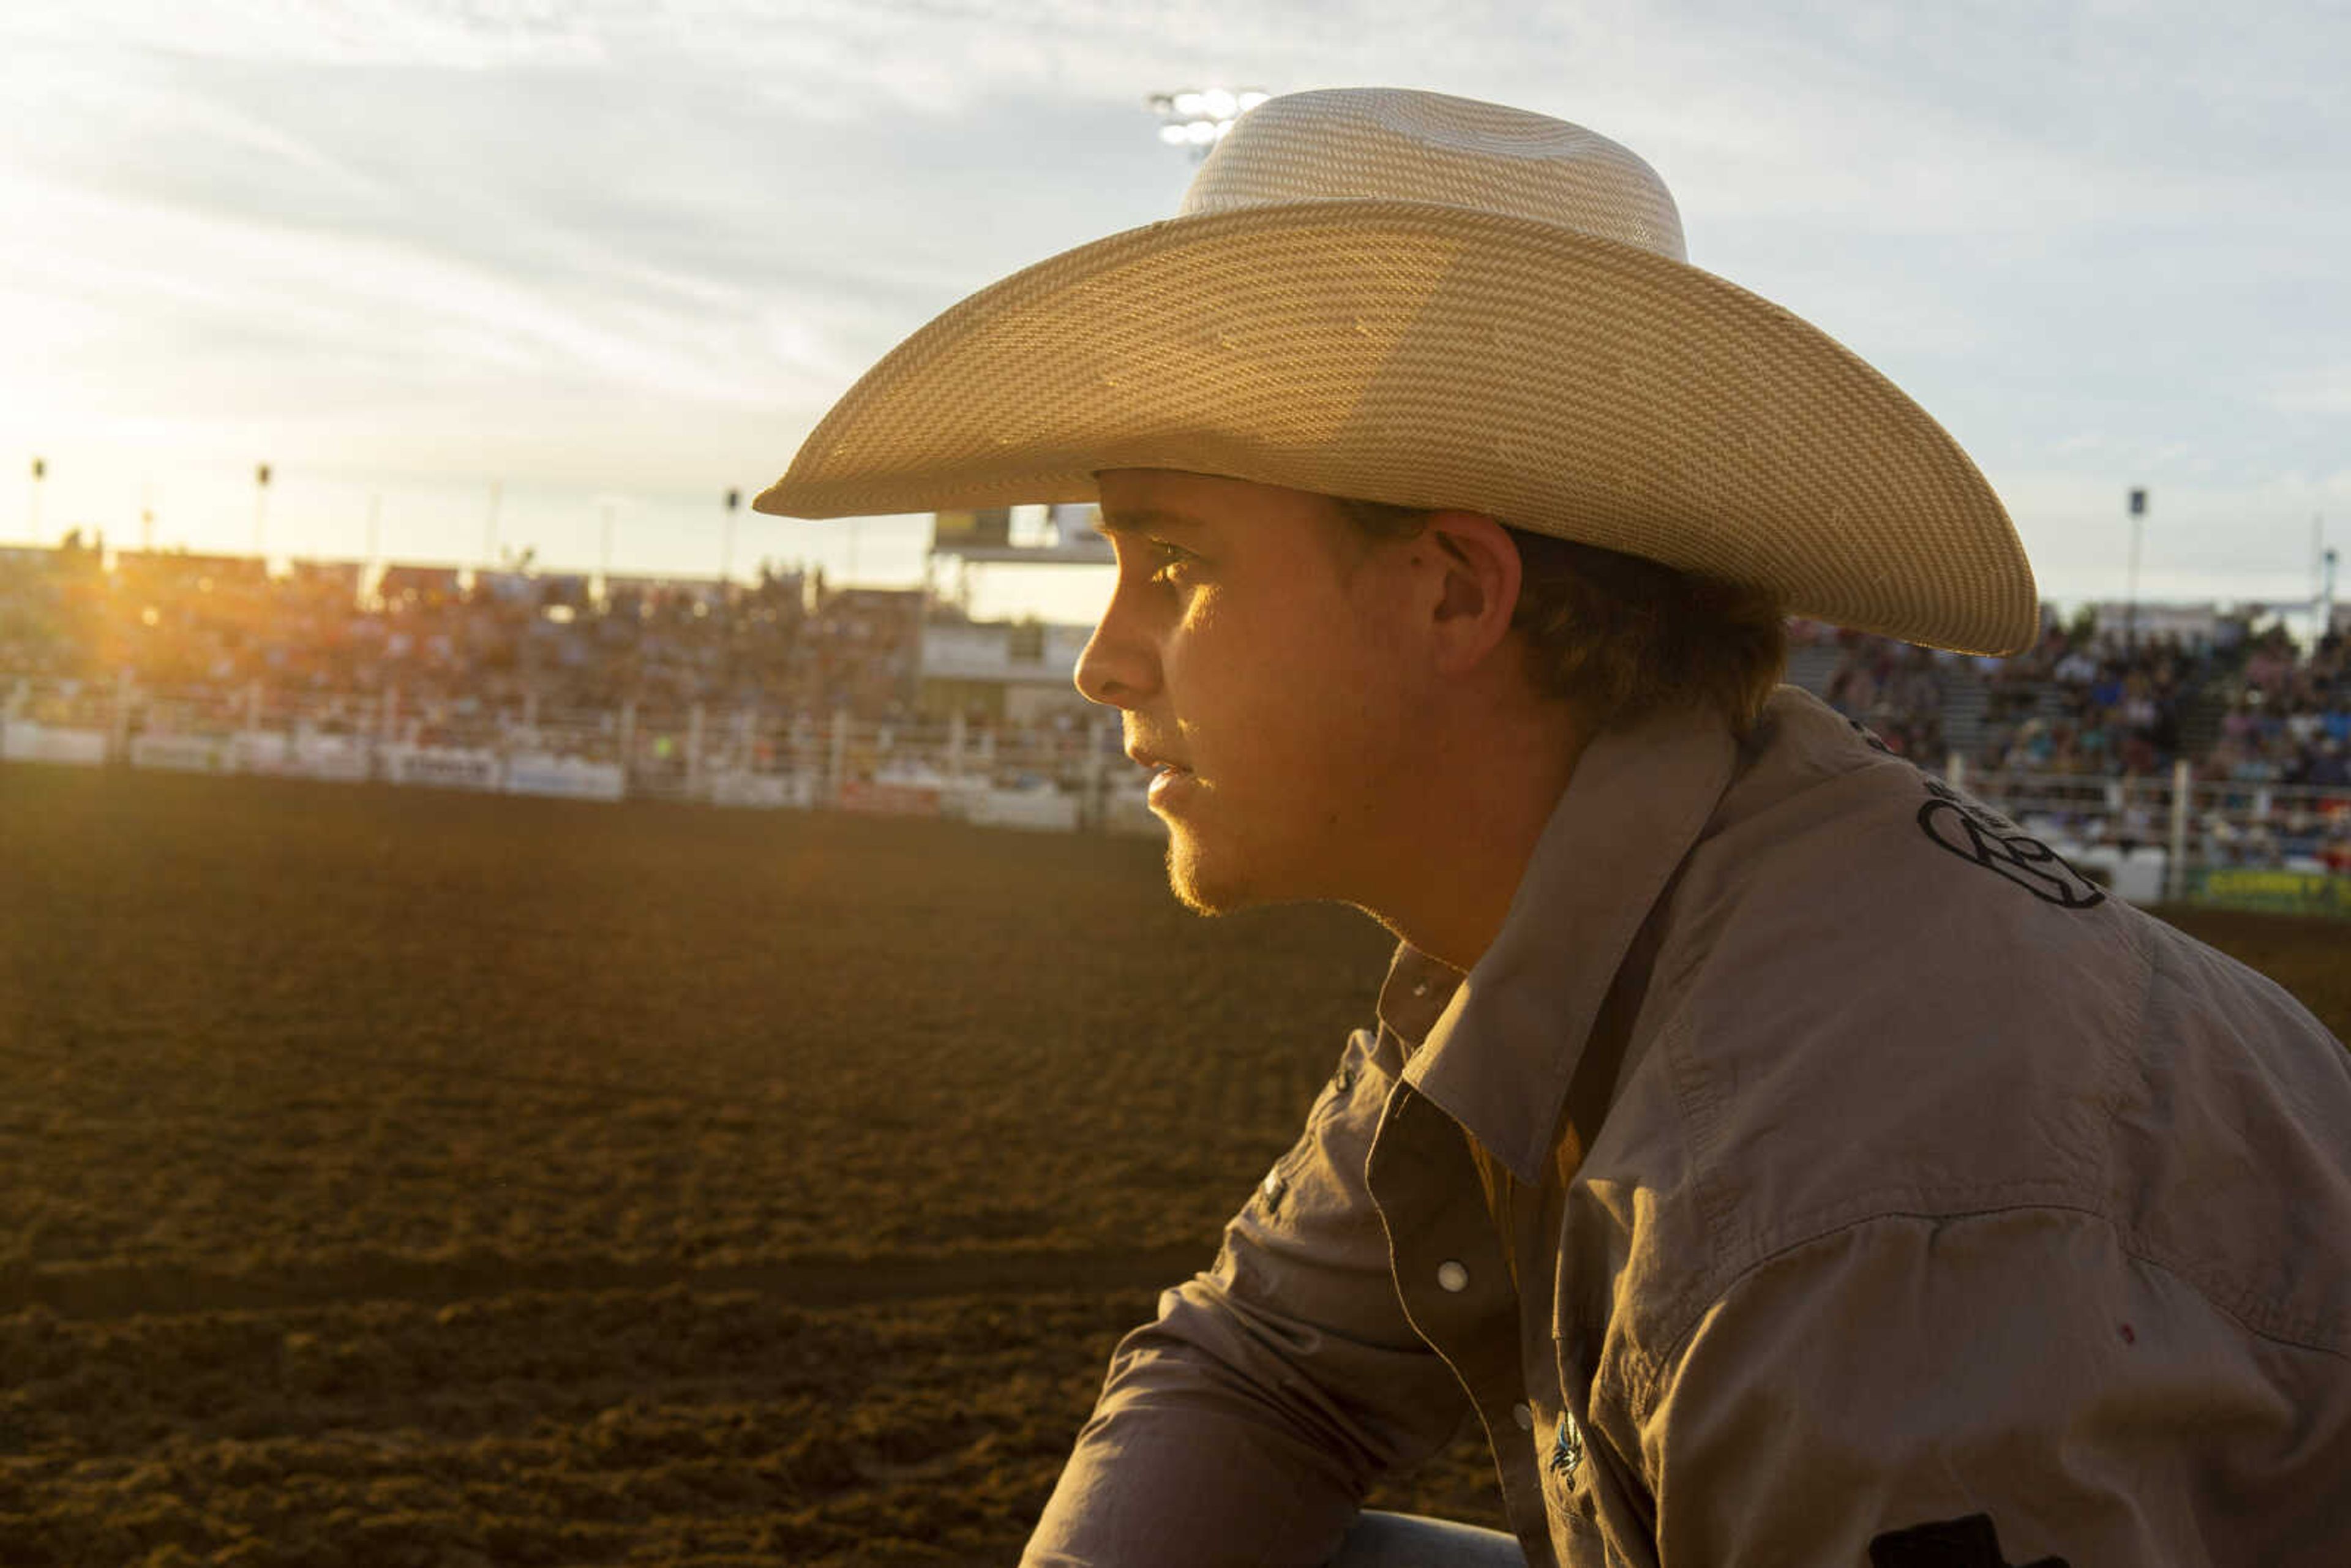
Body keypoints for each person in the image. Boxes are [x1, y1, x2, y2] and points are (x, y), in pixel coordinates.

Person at [756, 89, 2351, 1567]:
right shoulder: (1602, 917)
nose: (1105, 655)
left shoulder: (1846, 1226)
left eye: (1175, 565)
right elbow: (1262, 1359)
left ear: (1455, 588)